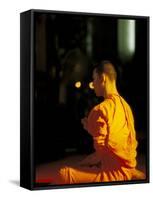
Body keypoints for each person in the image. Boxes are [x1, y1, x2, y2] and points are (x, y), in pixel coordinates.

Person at [50, 60, 145, 184]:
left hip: (112, 175)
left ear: (103, 78)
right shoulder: (127, 107)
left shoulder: (100, 110)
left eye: (94, 79)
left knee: (63, 174)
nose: (93, 84)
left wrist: (82, 162)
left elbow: (100, 154)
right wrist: (91, 128)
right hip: (127, 170)